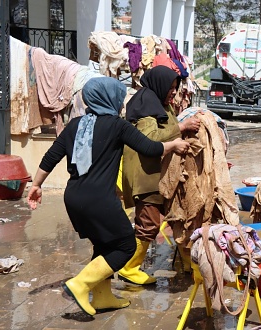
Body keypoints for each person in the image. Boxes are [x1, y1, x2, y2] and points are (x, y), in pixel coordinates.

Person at [27, 77, 190, 316]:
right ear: (110, 99)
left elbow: (51, 157)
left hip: (74, 198)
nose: (122, 105)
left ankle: (102, 297)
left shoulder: (75, 125)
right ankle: (81, 284)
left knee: (104, 244)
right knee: (124, 245)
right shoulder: (117, 125)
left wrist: (36, 185)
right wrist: (174, 145)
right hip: (99, 199)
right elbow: (150, 148)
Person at [119, 66, 201, 285]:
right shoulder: (146, 104)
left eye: (176, 88)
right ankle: (128, 267)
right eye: (171, 88)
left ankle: (186, 263)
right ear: (160, 84)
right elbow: (150, 138)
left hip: (158, 173)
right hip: (146, 174)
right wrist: (182, 127)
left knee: (178, 216)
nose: (174, 92)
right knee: (149, 223)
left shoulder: (159, 103)